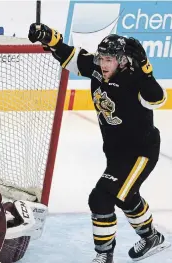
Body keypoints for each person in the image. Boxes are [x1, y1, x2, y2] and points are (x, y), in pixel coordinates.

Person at [28, 24, 170, 263]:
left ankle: (104, 255)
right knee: (125, 196)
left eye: (109, 60)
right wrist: (48, 37)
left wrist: (146, 70)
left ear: (122, 61)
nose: (103, 64)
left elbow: (157, 99)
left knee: (101, 197)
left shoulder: (134, 77)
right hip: (116, 153)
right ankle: (152, 237)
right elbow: (69, 55)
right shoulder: (96, 68)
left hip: (140, 152)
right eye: (102, 58)